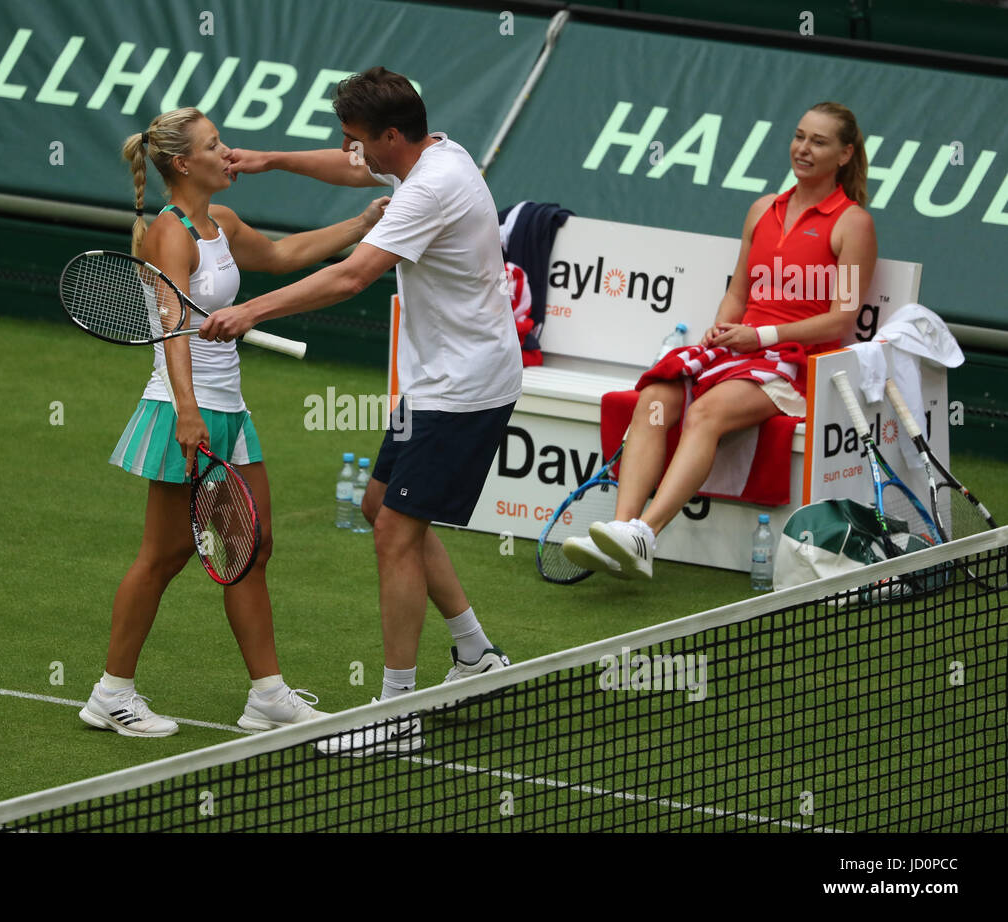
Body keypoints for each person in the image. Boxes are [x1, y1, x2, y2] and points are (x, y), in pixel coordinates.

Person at [200, 67, 522, 755]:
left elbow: (349, 275)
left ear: (393, 135)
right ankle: (476, 655)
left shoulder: (431, 188)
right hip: (435, 383)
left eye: (358, 141)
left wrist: (249, 308)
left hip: (463, 391)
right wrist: (272, 159)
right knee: (383, 509)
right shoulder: (431, 154)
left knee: (394, 536)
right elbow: (351, 171)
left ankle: (397, 713)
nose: (354, 153)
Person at [79, 107, 390, 737]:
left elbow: (279, 255)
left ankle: (267, 696)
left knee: (252, 546)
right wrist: (189, 415)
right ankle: (111, 693)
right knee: (163, 556)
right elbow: (171, 326)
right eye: (215, 146)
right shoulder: (170, 234)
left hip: (231, 410)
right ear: (182, 163)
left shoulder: (218, 222)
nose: (229, 154)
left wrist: (361, 224)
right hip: (181, 409)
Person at [563, 102, 877, 580]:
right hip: (743, 350)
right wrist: (721, 333)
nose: (803, 149)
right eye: (799, 136)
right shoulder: (762, 209)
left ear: (845, 154)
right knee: (652, 399)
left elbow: (841, 319)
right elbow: (738, 292)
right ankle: (621, 532)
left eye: (819, 141)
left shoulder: (852, 222)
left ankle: (646, 534)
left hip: (797, 362)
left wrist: (761, 335)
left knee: (706, 412)